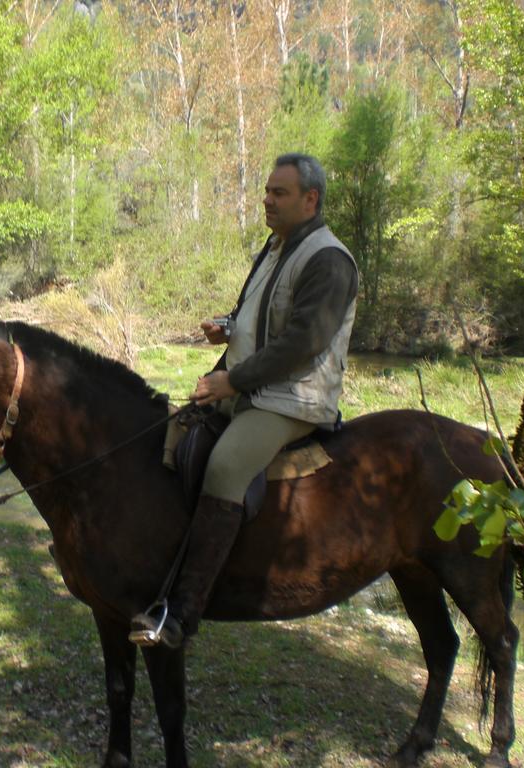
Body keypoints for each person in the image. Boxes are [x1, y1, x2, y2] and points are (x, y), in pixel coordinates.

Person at [130, 153, 359, 649]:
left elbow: (302, 343)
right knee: (166, 436)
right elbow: (258, 319)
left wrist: (231, 381)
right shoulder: (276, 247)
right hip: (253, 386)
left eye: (279, 193)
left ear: (310, 199)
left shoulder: (329, 259)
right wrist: (227, 328)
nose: (267, 200)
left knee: (227, 467)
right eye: (267, 191)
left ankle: (184, 612)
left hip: (293, 399)